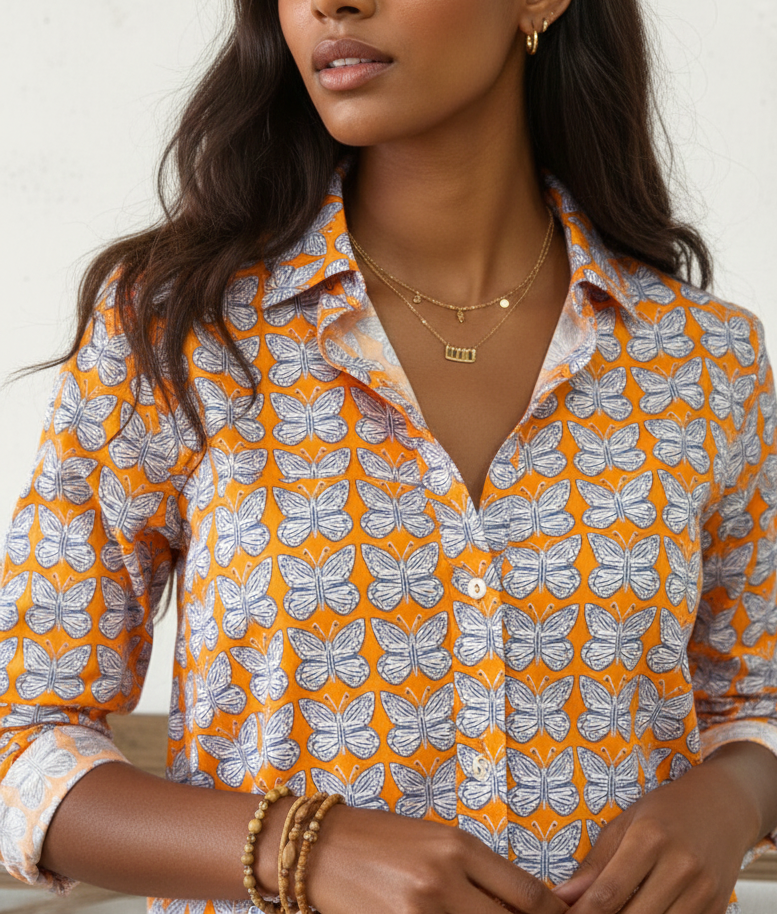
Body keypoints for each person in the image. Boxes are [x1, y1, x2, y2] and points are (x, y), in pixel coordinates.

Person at [1, 0, 776, 912]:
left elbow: (754, 700)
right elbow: (22, 734)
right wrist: (298, 847)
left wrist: (731, 795)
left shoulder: (702, 361)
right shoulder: (180, 332)